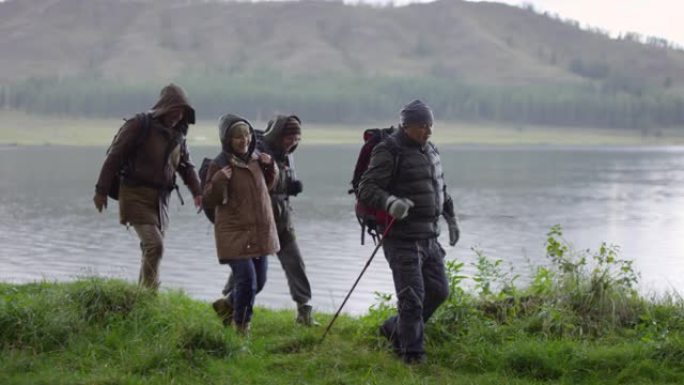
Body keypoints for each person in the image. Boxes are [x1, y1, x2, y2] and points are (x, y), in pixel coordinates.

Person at [358, 100, 460, 364]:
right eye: (421, 126)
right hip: (401, 238)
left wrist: (451, 219)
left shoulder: (432, 150)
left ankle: (394, 328)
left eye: (430, 125)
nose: (427, 131)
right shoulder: (388, 150)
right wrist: (391, 203)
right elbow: (366, 188)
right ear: (406, 126)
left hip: (429, 237)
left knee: (438, 292)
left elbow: (440, 188)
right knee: (412, 298)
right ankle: (412, 356)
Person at [94, 83, 202, 291]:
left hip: (161, 201)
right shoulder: (139, 125)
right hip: (135, 195)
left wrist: (198, 192)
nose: (178, 116)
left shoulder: (178, 135)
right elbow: (114, 157)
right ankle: (149, 296)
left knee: (151, 249)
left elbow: (186, 166)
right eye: (174, 110)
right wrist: (101, 190)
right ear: (164, 107)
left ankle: (142, 295)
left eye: (182, 112)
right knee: (155, 245)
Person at [220, 115, 319, 326]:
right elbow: (254, 184)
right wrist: (283, 185)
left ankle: (304, 311)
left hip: (283, 220)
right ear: (278, 135)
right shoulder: (257, 152)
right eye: (289, 137)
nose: (292, 142)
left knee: (295, 263)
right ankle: (230, 305)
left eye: (296, 138)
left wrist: (291, 187)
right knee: (254, 274)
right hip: (261, 223)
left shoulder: (287, 155)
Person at [204, 114, 280, 333]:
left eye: (246, 134)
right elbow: (209, 199)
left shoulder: (258, 158)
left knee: (260, 281)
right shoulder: (219, 164)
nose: (244, 140)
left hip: (260, 231)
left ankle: (227, 304)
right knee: (247, 281)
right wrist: (218, 181)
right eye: (237, 136)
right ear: (227, 139)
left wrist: (270, 167)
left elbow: (269, 186)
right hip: (234, 233)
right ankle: (241, 327)